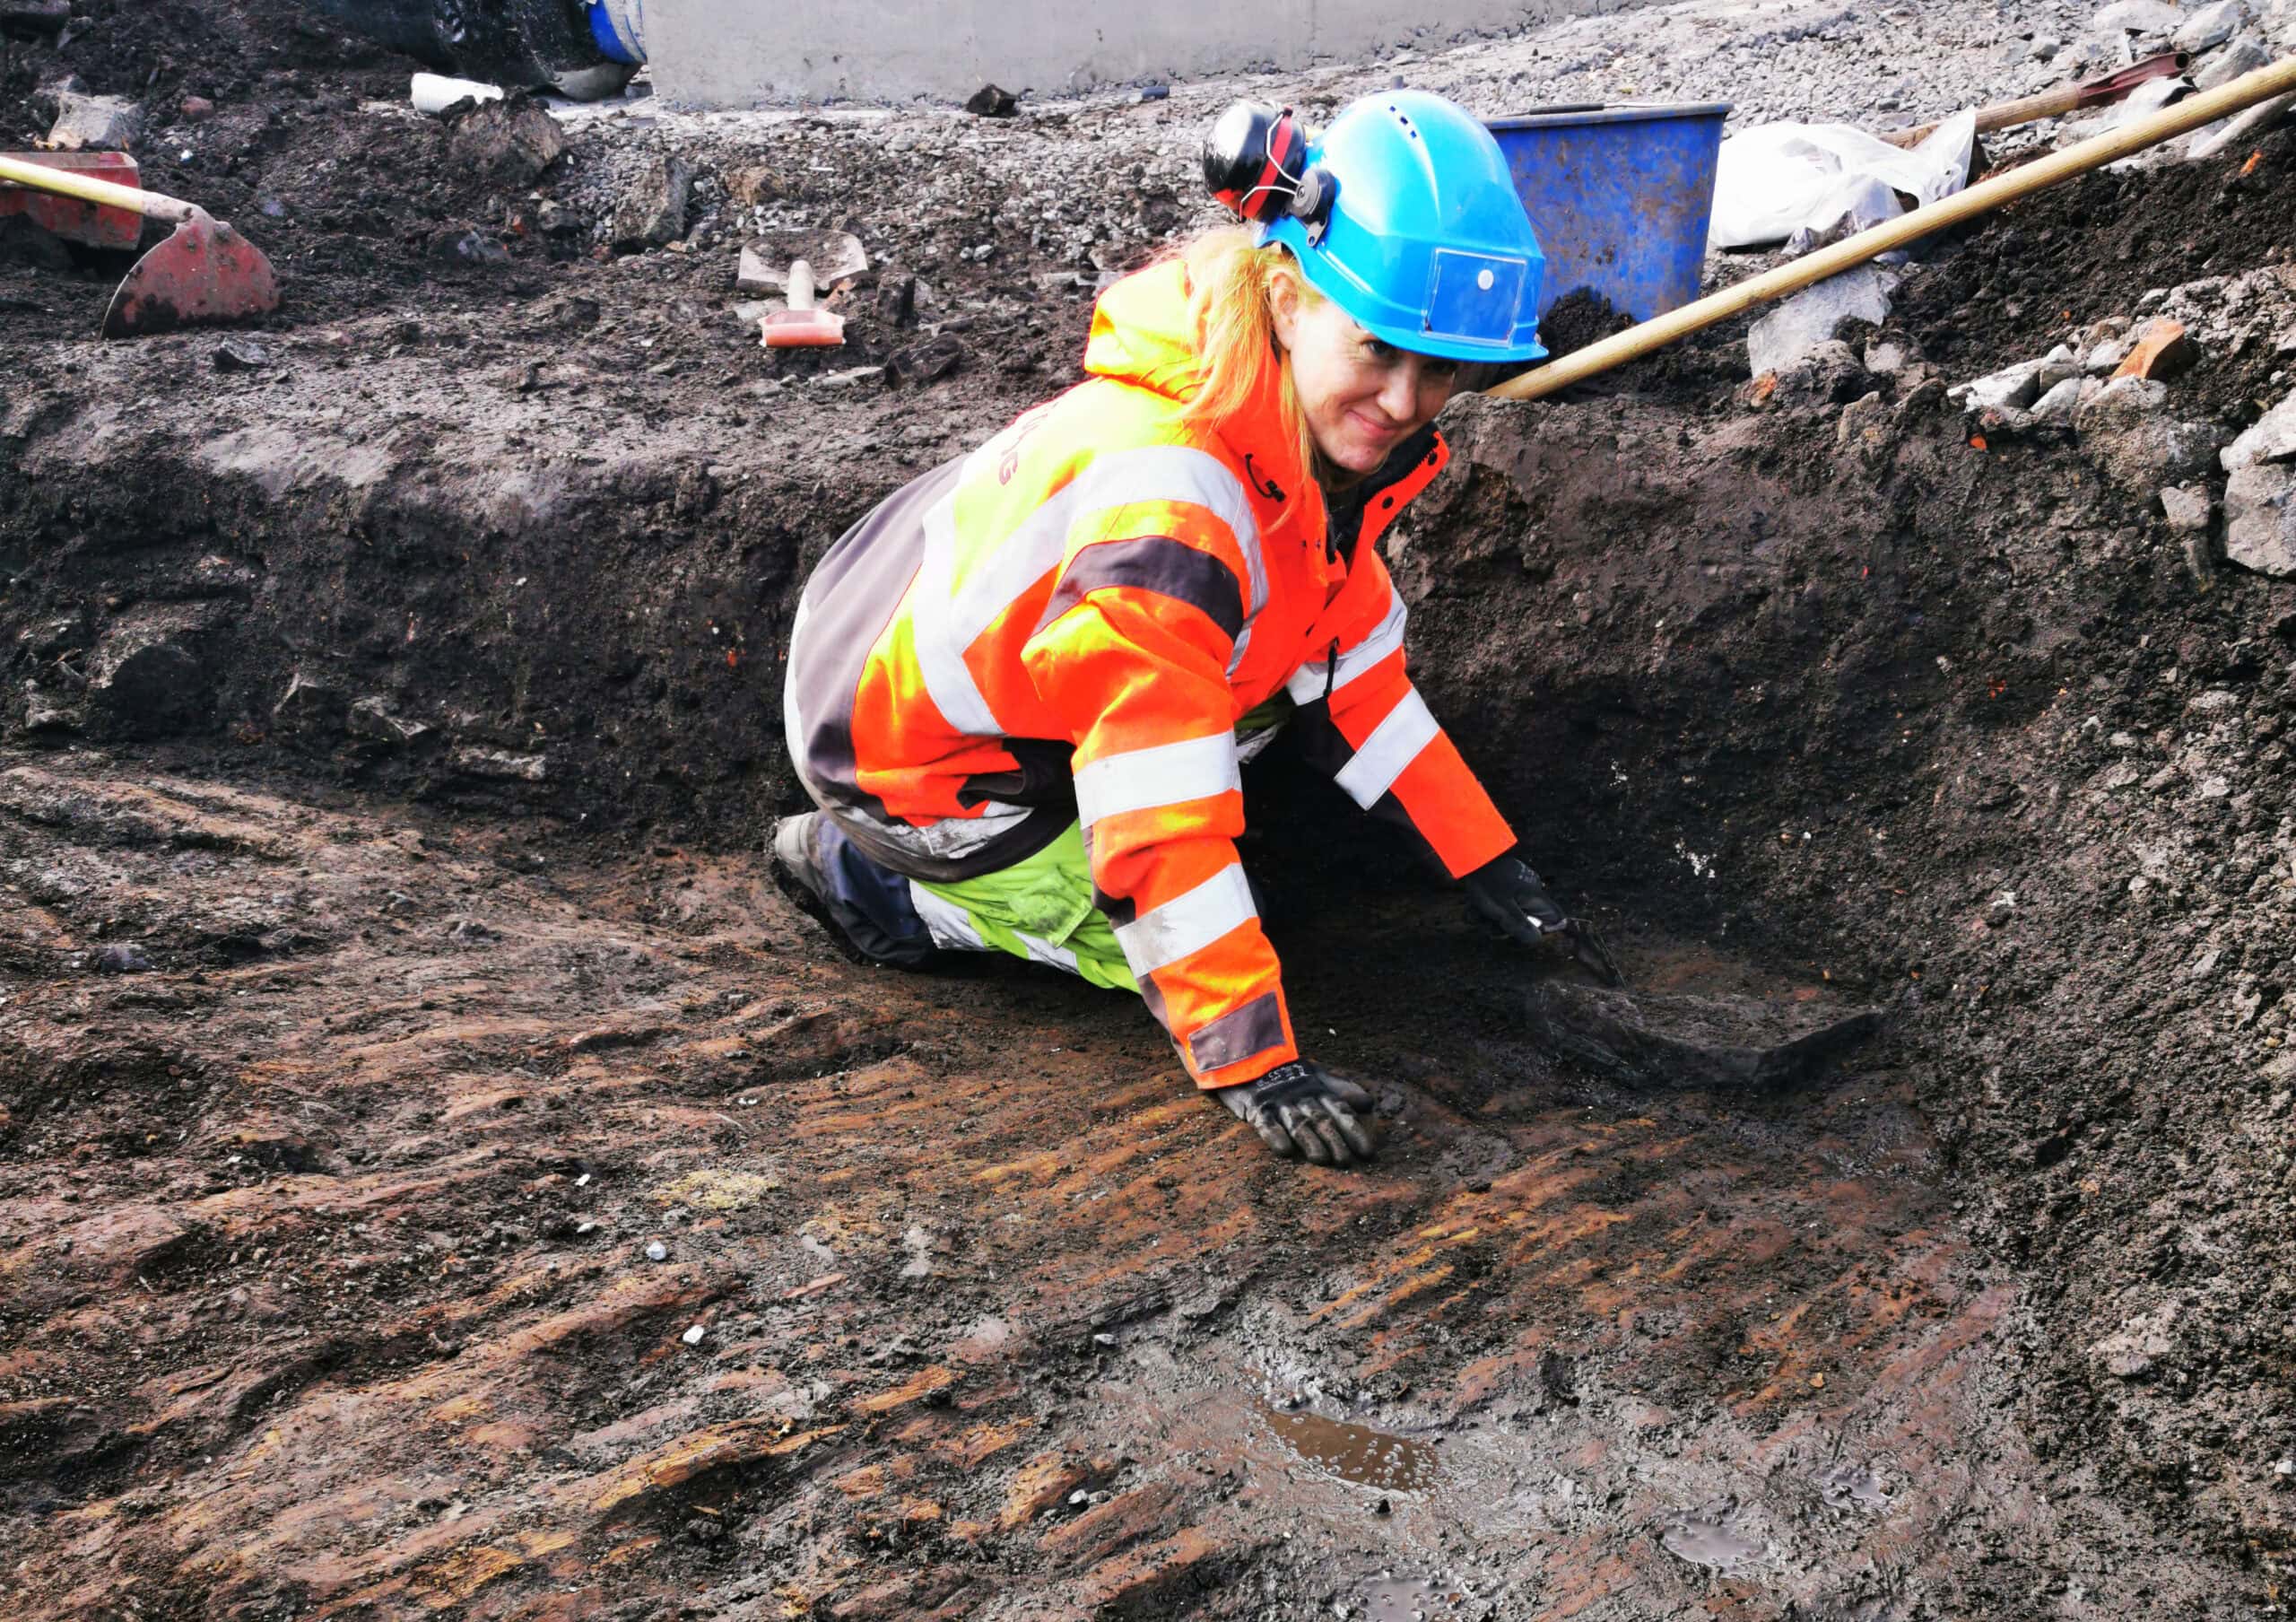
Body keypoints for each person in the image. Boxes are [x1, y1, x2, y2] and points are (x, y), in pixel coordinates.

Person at [774, 90, 1570, 1168]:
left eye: (1440, 370)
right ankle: (883, 885)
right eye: (1379, 350)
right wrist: (1251, 1054)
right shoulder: (1176, 510)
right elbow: (1153, 811)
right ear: (1288, 297)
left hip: (924, 626)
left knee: (1235, 762)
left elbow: (1352, 672)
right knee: (1145, 934)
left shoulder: (1279, 430)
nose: (1402, 401)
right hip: (918, 762)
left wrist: (1493, 869)